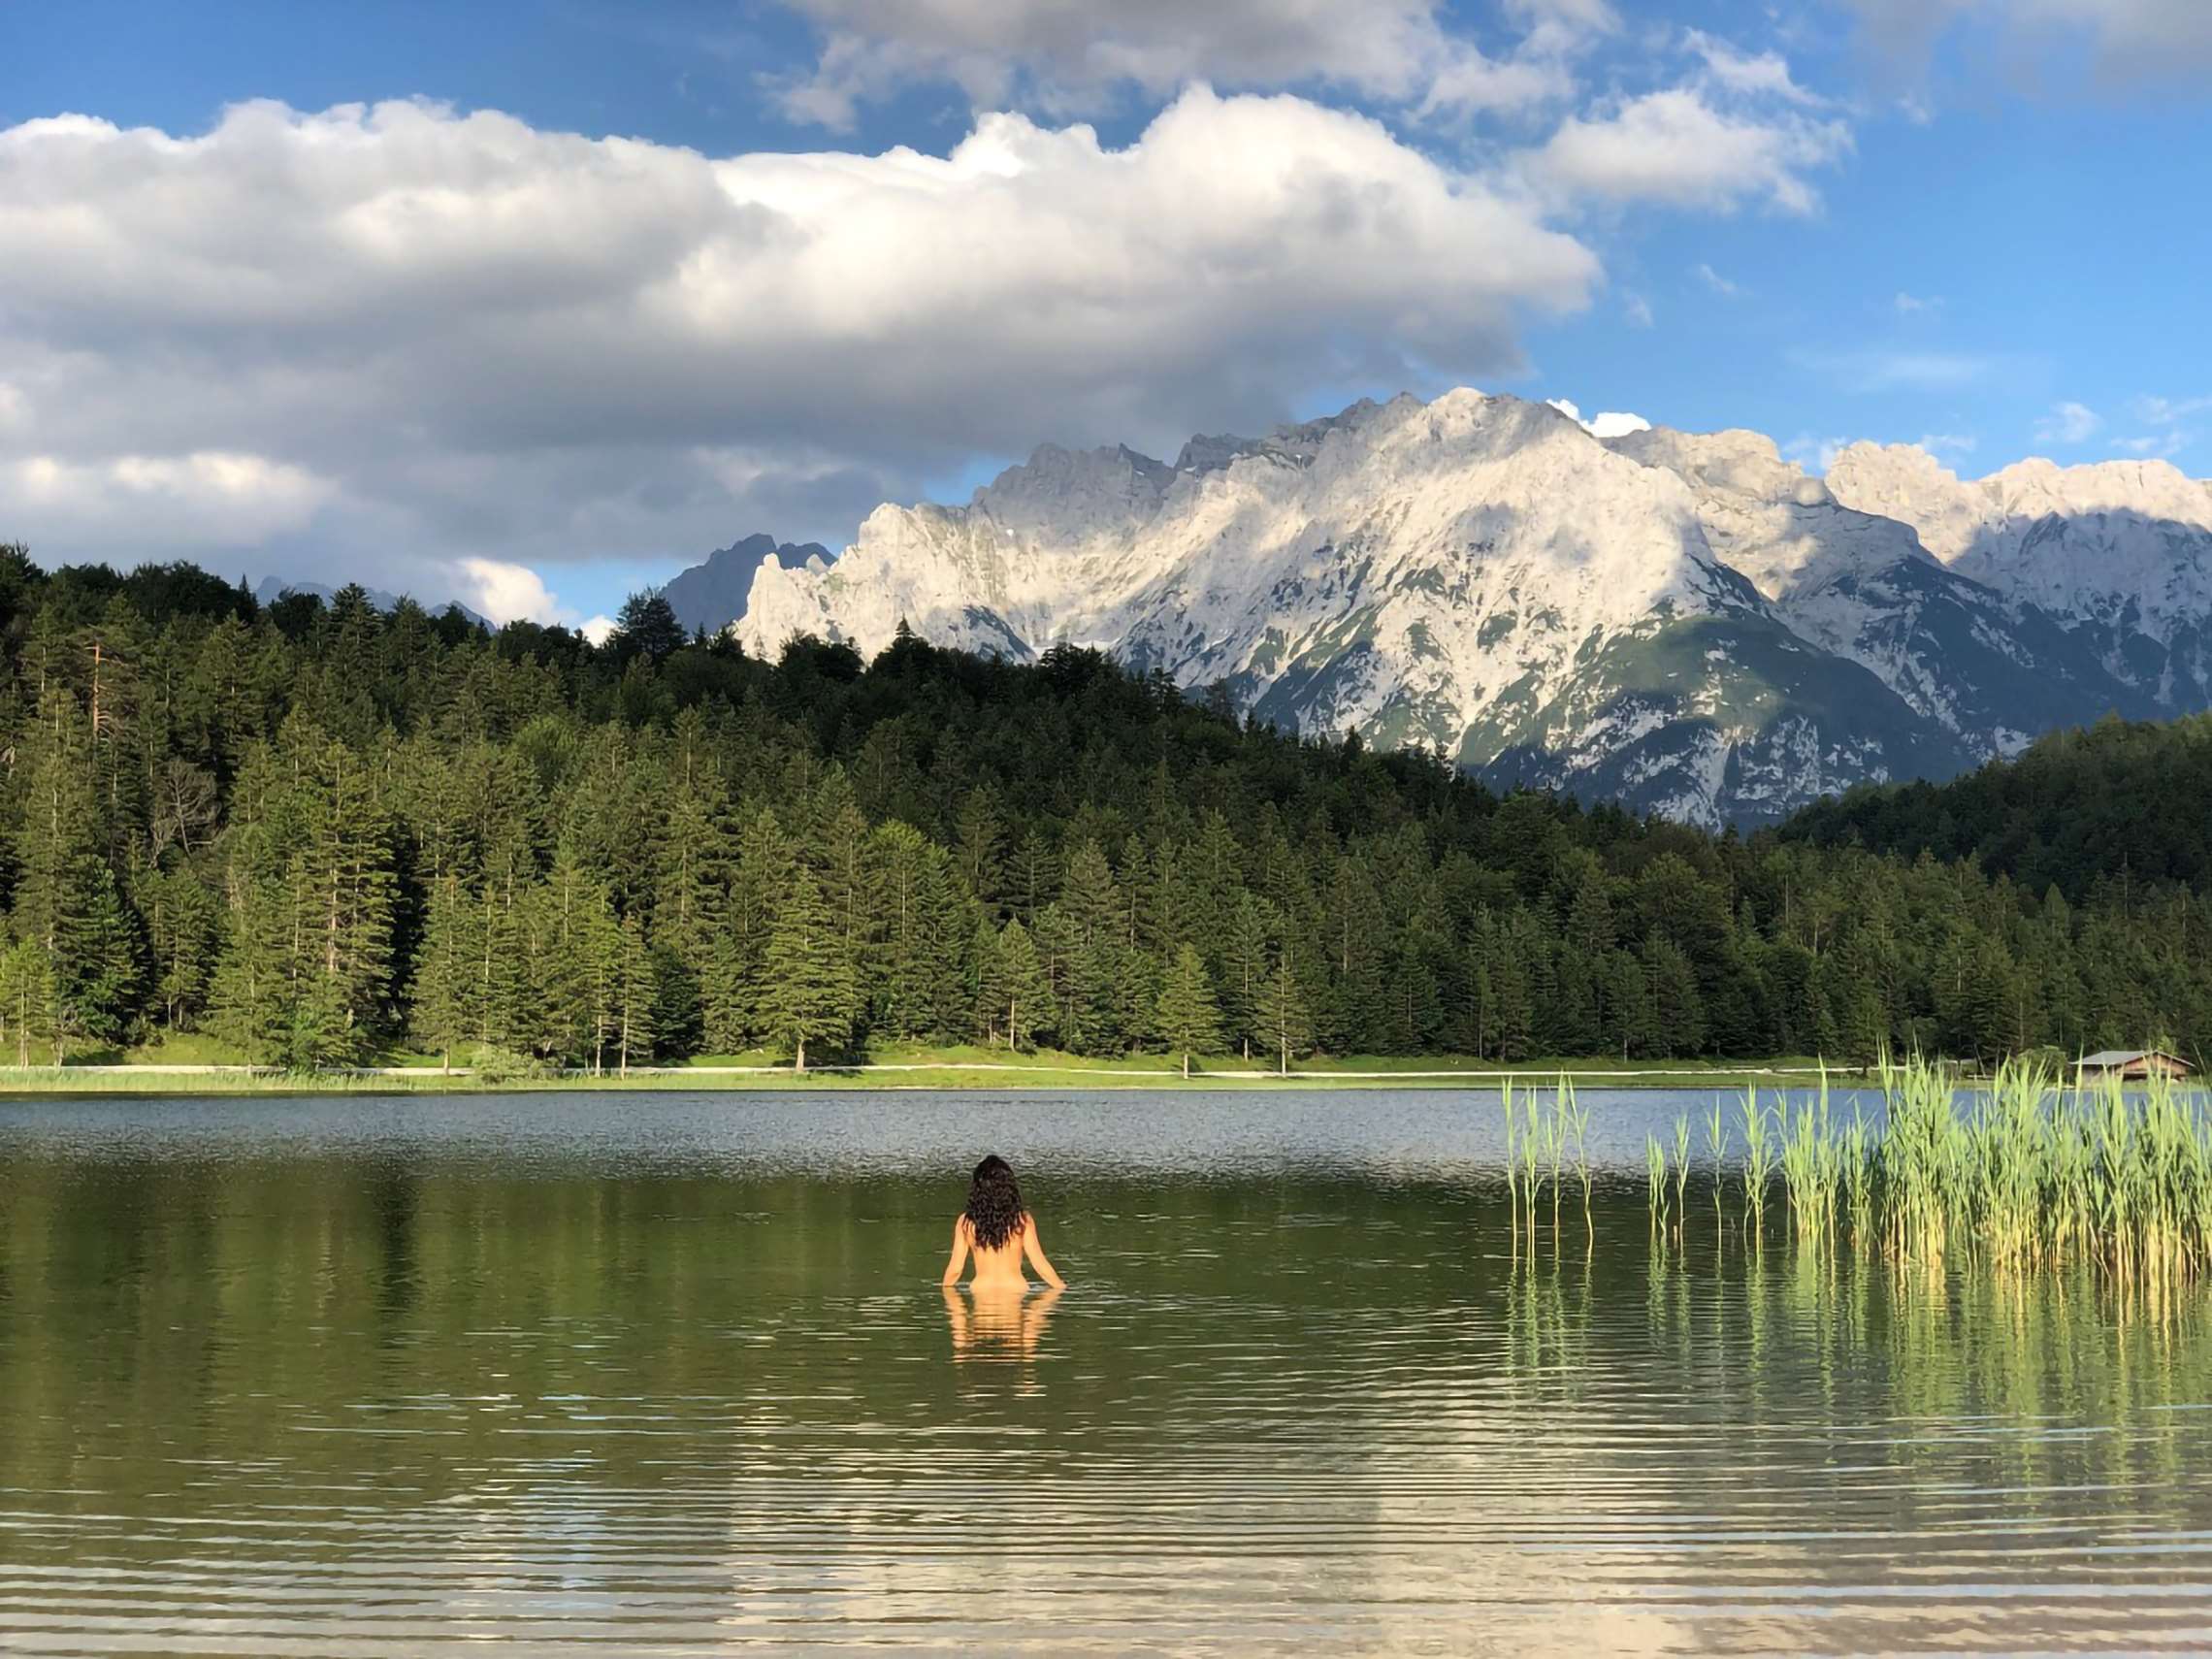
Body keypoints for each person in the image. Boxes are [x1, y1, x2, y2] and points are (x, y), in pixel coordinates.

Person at [941, 1155, 1065, 1290]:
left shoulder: (966, 1223)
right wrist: (1061, 1288)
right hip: (1016, 1289)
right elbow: (1040, 1264)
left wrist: (948, 1298)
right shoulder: (1022, 1221)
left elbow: (955, 1270)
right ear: (1009, 1189)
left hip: (981, 1290)